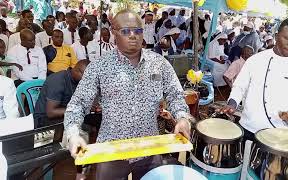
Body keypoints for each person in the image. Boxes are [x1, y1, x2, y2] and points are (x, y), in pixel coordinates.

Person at [64, 9, 193, 180]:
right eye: (126, 31)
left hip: (150, 148)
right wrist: (73, 134)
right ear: (114, 33)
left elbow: (175, 95)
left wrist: (182, 118)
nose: (133, 35)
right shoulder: (99, 67)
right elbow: (77, 105)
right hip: (111, 152)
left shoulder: (159, 64)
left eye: (137, 30)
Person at [219, 18, 288, 141]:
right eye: (287, 38)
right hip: (249, 127)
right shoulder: (255, 60)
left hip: (278, 132)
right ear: (277, 36)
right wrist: (232, 103)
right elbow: (239, 86)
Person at [33, 59, 89, 128]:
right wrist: (78, 109)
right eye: (86, 77)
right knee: (84, 127)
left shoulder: (79, 81)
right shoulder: (58, 80)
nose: (88, 80)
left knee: (95, 120)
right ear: (77, 71)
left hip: (65, 115)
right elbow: (51, 112)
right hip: (44, 120)